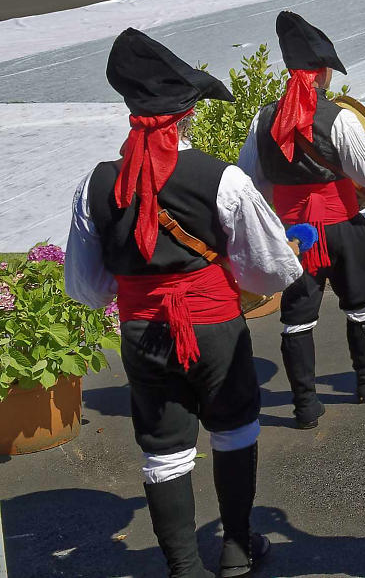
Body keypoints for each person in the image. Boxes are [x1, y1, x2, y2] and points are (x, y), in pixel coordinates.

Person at [65, 29, 305, 578]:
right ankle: (237, 548)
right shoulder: (223, 179)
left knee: (164, 449)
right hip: (215, 324)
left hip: (142, 332)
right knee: (234, 427)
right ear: (188, 114)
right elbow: (271, 271)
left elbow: (88, 288)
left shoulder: (94, 185)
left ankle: (183, 567)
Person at [238, 11, 365, 431]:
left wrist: (283, 213)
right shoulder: (339, 117)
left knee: (297, 315)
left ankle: (305, 405)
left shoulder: (263, 119)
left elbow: (251, 181)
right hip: (342, 224)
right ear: (323, 72)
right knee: (359, 304)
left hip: (295, 235)